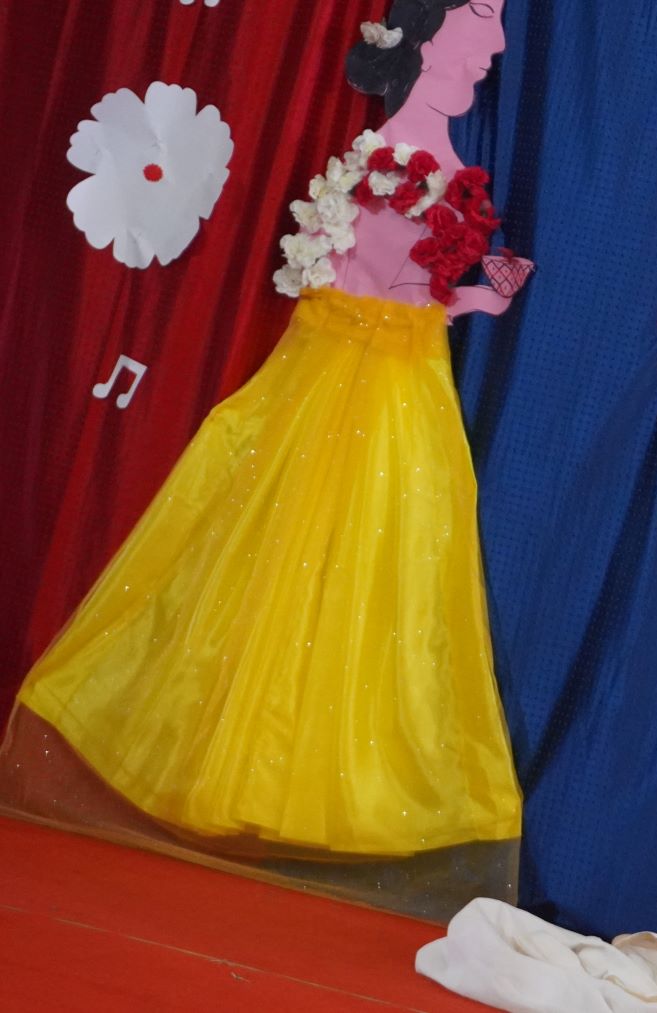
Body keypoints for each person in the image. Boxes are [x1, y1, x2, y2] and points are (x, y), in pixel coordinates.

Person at [0, 0, 525, 917]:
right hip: (362, 383)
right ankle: (261, 784)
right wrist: (462, 294)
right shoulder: (400, 156)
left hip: (394, 382)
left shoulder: (418, 158)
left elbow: (395, 285)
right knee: (307, 563)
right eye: (483, 16)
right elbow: (380, 281)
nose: (498, 43)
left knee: (367, 581)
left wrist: (477, 298)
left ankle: (307, 792)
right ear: (429, 35)